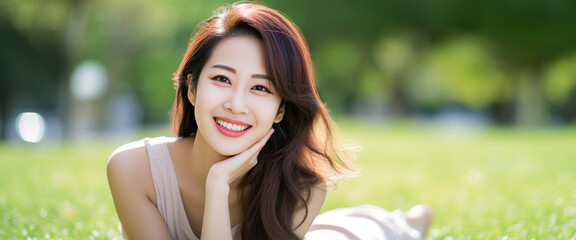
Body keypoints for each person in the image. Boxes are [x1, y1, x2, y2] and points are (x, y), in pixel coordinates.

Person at [106, 2, 432, 239]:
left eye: (261, 87)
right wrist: (218, 184)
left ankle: (408, 222)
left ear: (280, 110)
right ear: (192, 88)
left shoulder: (301, 188)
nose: (236, 104)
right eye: (221, 79)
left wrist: (218, 184)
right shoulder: (132, 168)